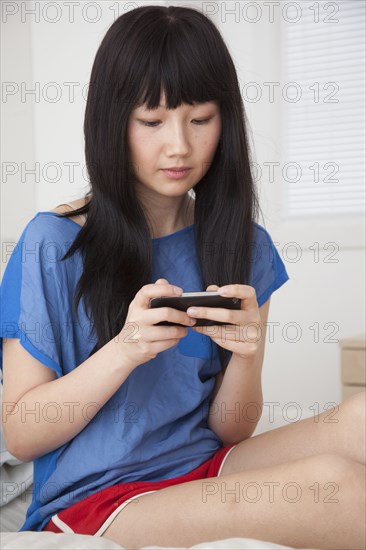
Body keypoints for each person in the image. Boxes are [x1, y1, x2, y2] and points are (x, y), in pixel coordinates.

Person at [1, 4, 365, 549]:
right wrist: (126, 349)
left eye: (200, 119)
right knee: (334, 490)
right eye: (151, 122)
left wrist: (245, 353)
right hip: (102, 496)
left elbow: (231, 430)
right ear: (112, 124)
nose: (179, 146)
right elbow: (22, 434)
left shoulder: (246, 246)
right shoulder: (52, 243)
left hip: (205, 466)